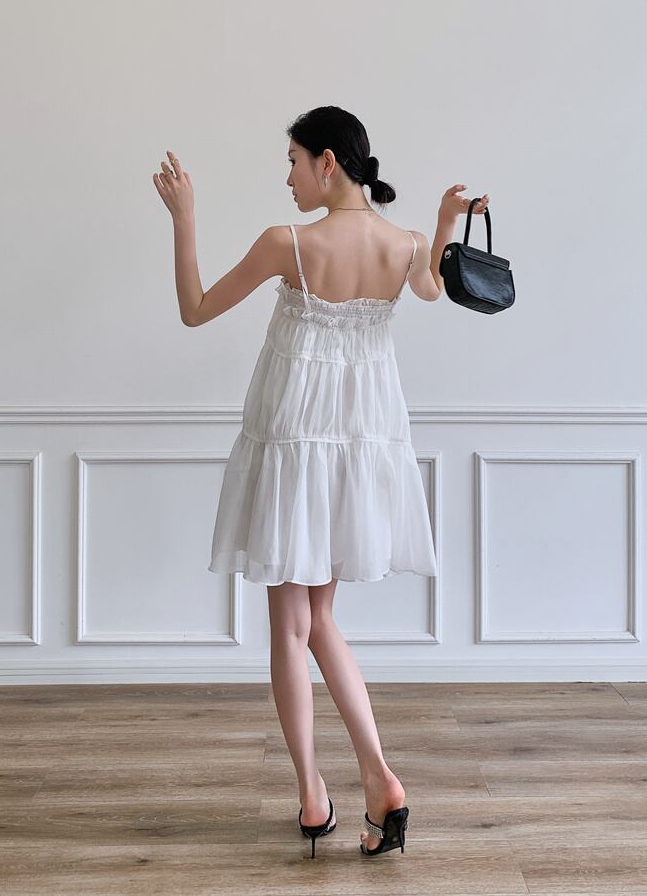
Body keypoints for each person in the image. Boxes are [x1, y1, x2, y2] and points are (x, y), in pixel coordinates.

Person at [153, 106, 489, 857]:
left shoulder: (289, 243)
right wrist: (441, 223)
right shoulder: (404, 245)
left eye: (294, 162)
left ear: (327, 162)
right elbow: (431, 288)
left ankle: (313, 796)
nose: (289, 177)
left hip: (294, 443)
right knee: (322, 620)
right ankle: (379, 777)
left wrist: (185, 217)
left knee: (289, 625)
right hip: (356, 451)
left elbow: (195, 309)